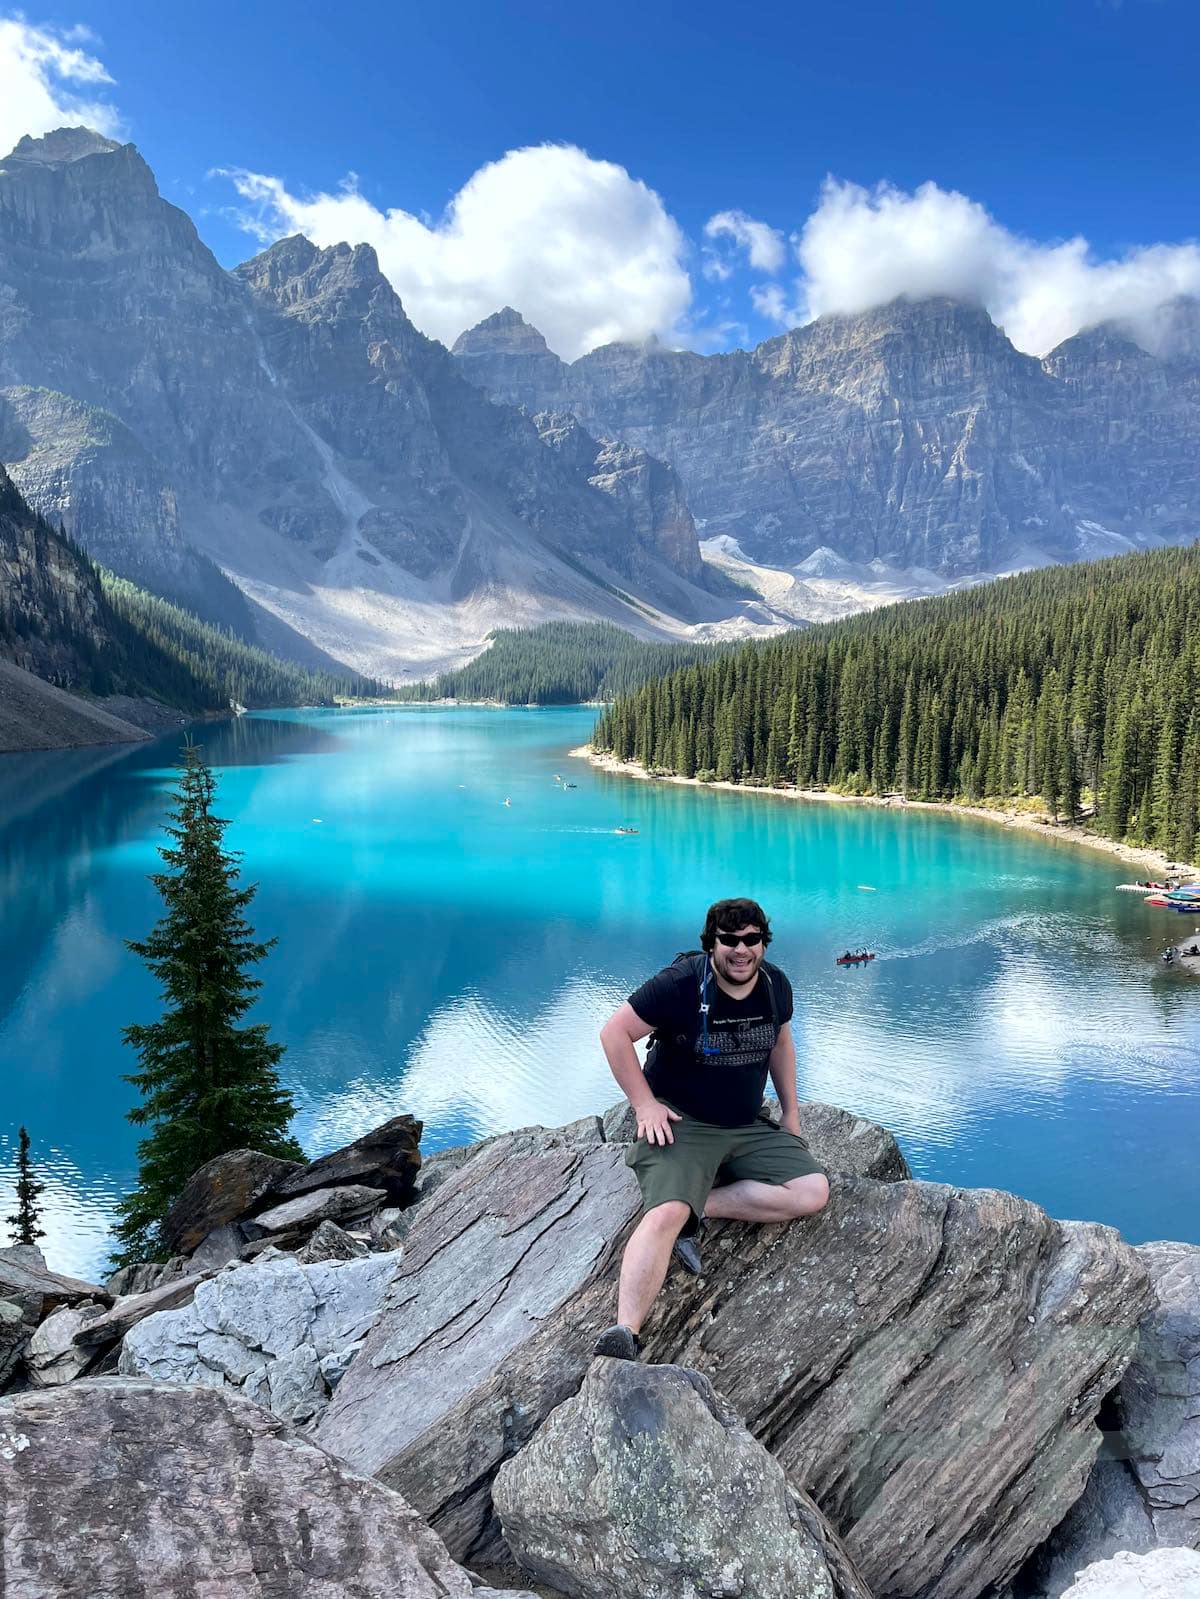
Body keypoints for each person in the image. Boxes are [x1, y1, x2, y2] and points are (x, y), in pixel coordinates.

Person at [593, 897, 830, 1361]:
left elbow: (781, 1043)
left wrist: (790, 1114)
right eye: (729, 941)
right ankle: (625, 1333)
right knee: (663, 1214)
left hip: (744, 1123)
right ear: (711, 944)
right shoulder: (680, 984)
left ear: (763, 942)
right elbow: (613, 1034)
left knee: (812, 1191)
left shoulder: (775, 985)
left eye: (752, 940)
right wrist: (645, 1106)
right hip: (682, 1122)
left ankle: (698, 1210)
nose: (741, 950)